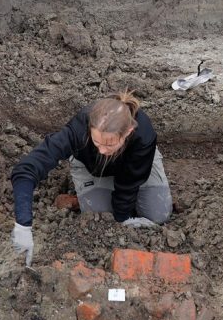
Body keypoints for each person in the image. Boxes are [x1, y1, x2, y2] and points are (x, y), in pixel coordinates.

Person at [9, 91, 171, 265]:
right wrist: (23, 224)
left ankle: (115, 197)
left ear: (128, 132)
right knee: (100, 215)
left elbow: (129, 182)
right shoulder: (78, 130)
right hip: (91, 167)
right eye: (96, 142)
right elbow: (26, 170)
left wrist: (122, 216)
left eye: (109, 143)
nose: (102, 151)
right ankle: (80, 198)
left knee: (158, 215)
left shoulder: (143, 135)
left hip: (136, 161)